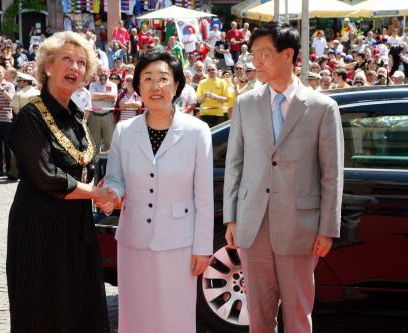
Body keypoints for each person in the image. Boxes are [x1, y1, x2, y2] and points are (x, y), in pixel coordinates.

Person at [223, 22, 344, 333]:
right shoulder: (245, 103)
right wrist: (231, 218)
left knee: (298, 316)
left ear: (288, 55)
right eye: (253, 55)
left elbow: (331, 173)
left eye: (264, 54)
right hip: (253, 225)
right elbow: (235, 163)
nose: (256, 62)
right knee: (258, 316)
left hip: (300, 228)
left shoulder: (322, 108)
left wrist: (327, 228)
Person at [6, 31, 111, 333]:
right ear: (48, 66)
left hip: (77, 229)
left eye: (81, 62)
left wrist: (105, 190)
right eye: (67, 59)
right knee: (45, 310)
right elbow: (47, 177)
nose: (75, 68)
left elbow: (86, 165)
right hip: (40, 231)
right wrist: (96, 193)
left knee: (81, 308)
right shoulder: (30, 117)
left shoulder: (76, 116)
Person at [103, 49, 213, 333]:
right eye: (147, 78)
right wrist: (110, 194)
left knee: (175, 317)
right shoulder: (124, 131)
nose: (155, 86)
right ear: (137, 86)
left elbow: (203, 195)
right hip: (133, 239)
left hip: (179, 242)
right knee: (135, 315)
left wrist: (203, 248)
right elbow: (115, 178)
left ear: (176, 85)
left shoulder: (197, 131)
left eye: (163, 78)